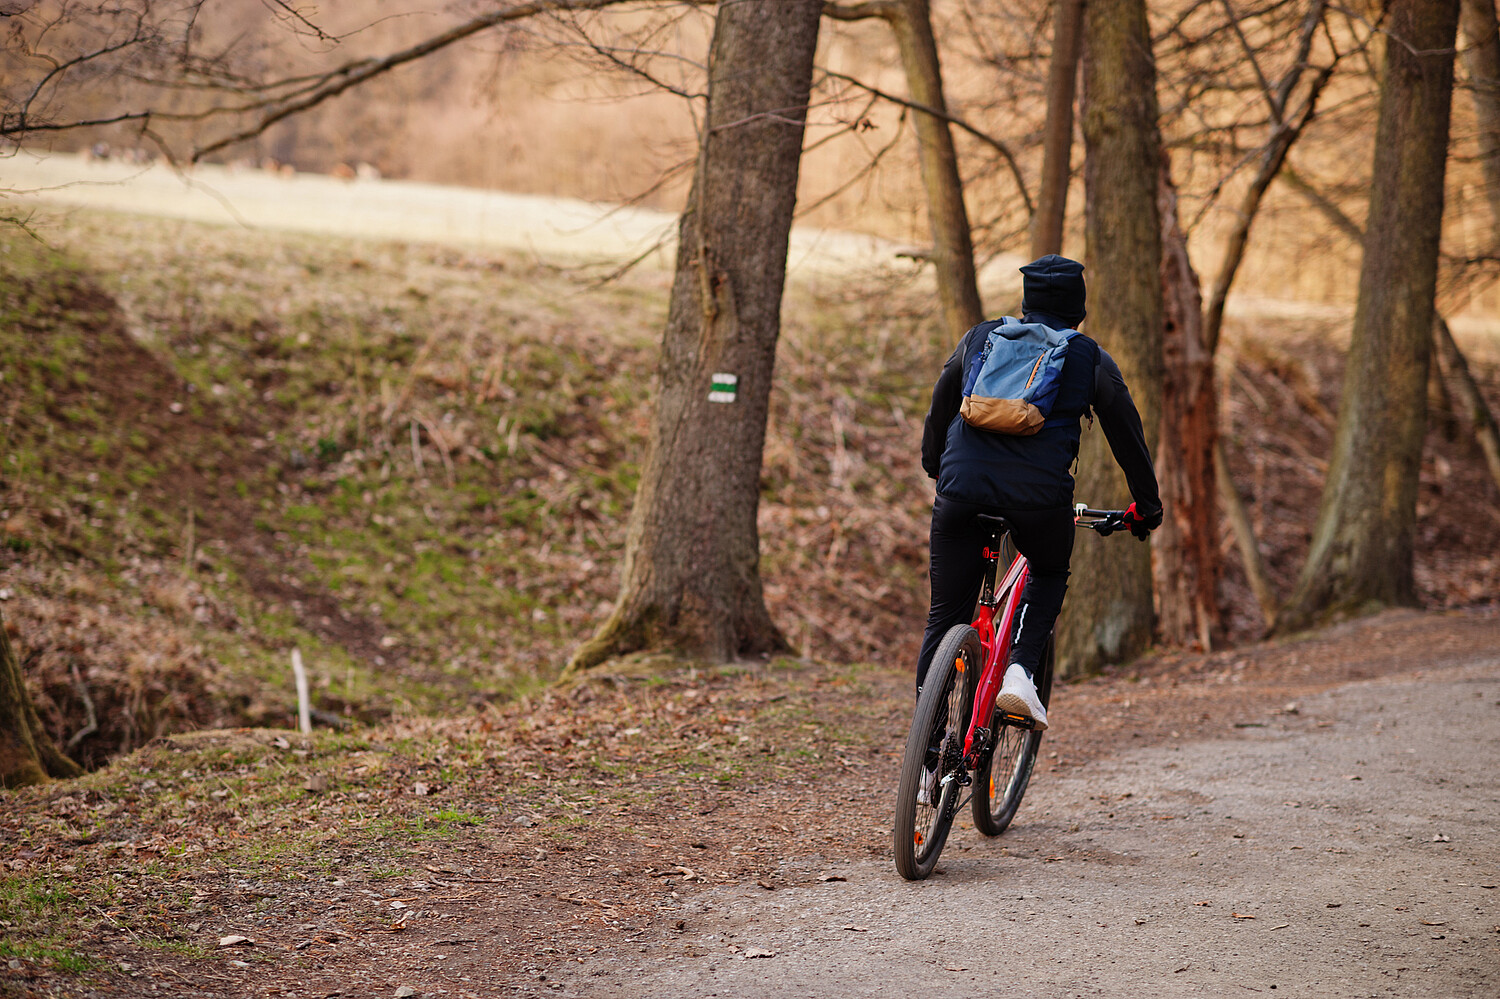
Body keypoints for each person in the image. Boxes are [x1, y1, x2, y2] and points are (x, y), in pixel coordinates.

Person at [918, 254, 1162, 731]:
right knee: (1048, 570)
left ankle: (925, 760)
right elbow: (1127, 438)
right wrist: (1146, 508)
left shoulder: (981, 338)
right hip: (1038, 501)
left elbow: (941, 401)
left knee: (944, 615)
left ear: (1026, 302)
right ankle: (1019, 671)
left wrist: (936, 467)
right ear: (1079, 310)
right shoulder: (1089, 358)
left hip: (959, 492)